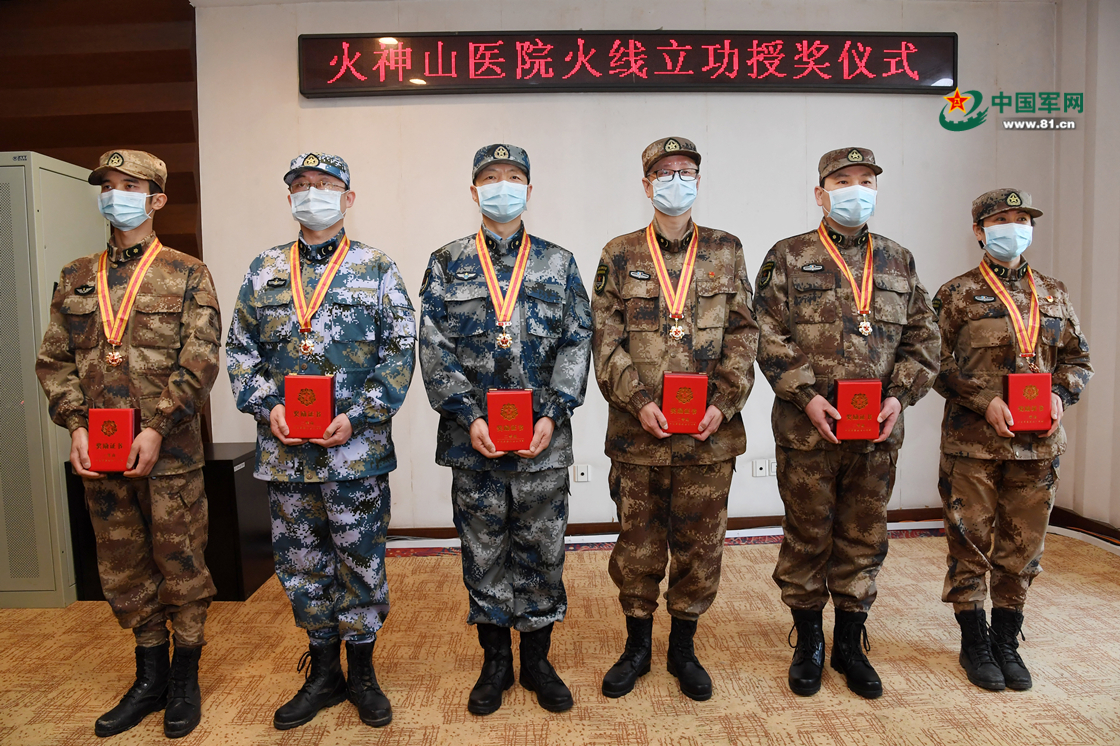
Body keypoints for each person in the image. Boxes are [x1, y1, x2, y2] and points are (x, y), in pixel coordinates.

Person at [226, 152, 416, 729]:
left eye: (326, 184)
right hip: (286, 453)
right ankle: (324, 673)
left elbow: (400, 351)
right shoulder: (264, 270)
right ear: (290, 198)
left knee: (361, 560)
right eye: (302, 185)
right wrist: (269, 406)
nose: (313, 193)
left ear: (348, 198)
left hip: (354, 453)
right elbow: (240, 351)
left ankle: (363, 673)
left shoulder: (377, 268)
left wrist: (359, 416)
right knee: (302, 563)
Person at [35, 149, 221, 739]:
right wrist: (76, 426)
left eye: (131, 186)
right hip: (101, 453)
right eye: (108, 185)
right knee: (123, 567)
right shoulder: (75, 276)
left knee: (181, 562)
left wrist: (157, 425)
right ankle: (149, 677)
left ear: (157, 199)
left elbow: (200, 359)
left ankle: (185, 678)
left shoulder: (186, 272)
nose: (116, 195)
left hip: (169, 454)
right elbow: (55, 361)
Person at [753, 147, 940, 699]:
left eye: (865, 181)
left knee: (864, 536)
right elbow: (765, 332)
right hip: (806, 430)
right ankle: (809, 640)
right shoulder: (788, 255)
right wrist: (806, 395)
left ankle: (850, 644)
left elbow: (924, 336)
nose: (854, 190)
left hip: (876, 433)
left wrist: (899, 396)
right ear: (820, 193)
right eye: (841, 181)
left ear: (876, 191)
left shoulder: (899, 260)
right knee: (807, 534)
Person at [418, 144, 592, 714]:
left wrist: (553, 412)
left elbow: (577, 341)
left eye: (513, 176)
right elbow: (433, 347)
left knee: (543, 550)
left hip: (543, 442)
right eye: (490, 177)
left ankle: (538, 661)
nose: (502, 186)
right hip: (475, 444)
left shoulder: (558, 263)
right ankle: (495, 662)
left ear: (529, 190)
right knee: (483, 551)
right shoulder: (446, 263)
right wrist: (467, 416)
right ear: (474, 191)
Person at [591, 137, 759, 702]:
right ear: (647, 184)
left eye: (686, 171)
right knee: (637, 547)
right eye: (664, 172)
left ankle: (682, 649)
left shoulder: (726, 249)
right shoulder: (619, 254)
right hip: (638, 436)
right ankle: (637, 646)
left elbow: (744, 334)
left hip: (709, 437)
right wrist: (639, 401)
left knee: (700, 549)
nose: (676, 180)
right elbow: (605, 340)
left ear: (698, 181)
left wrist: (723, 403)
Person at [932, 188, 1092, 691]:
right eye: (1002, 219)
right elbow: (934, 363)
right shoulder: (955, 294)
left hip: (1038, 446)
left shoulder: (1053, 292)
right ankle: (973, 642)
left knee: (1023, 547)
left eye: (1022, 219)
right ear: (979, 231)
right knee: (969, 542)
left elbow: (1078, 359)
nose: (1014, 228)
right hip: (973, 445)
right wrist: (984, 401)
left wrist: (1060, 394)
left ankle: (1005, 639)